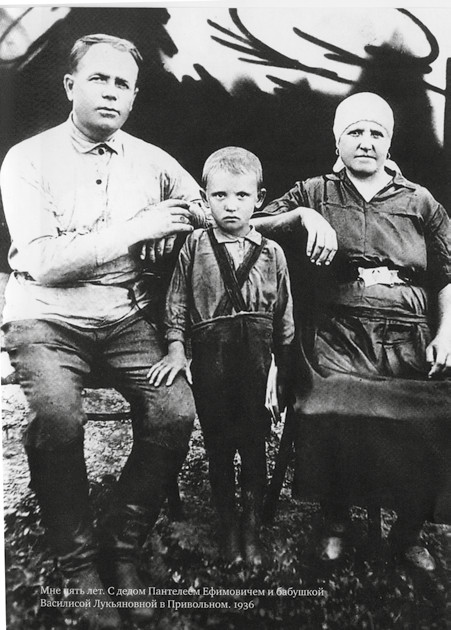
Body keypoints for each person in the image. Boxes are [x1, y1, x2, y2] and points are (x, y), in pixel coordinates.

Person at [0, 34, 209, 629]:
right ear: (71, 86)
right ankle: (77, 563)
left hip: (123, 317)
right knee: (58, 417)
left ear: (135, 96)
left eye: (123, 84)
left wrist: (180, 227)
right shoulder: (27, 158)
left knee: (174, 411)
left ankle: (121, 545)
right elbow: (43, 261)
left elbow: (203, 205)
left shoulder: (152, 159)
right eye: (99, 79)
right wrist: (140, 228)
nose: (111, 92)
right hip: (46, 316)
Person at [255, 92, 451, 572]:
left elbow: (448, 274)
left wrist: (447, 331)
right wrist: (302, 216)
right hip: (337, 329)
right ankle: (336, 519)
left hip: (408, 330)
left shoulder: (420, 200)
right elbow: (252, 223)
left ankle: (409, 530)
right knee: (331, 404)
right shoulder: (314, 191)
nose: (366, 142)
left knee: (434, 412)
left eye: (376, 133)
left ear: (389, 141)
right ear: (337, 139)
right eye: (355, 132)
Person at [148, 147, 295, 565]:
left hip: (257, 362)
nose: (231, 205)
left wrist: (283, 371)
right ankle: (228, 524)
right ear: (205, 197)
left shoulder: (272, 253)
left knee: (253, 445)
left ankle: (251, 525)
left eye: (242, 196)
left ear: (259, 199)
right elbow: (176, 304)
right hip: (213, 361)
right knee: (218, 446)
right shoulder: (195, 245)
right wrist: (176, 348)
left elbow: (284, 317)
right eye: (220, 196)